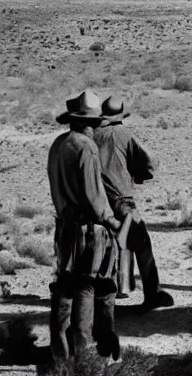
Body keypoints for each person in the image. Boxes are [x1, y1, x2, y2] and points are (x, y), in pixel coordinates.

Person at [47, 90, 122, 360]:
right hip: (87, 231)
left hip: (64, 229)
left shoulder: (58, 144)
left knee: (63, 288)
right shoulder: (86, 147)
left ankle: (59, 355)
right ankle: (84, 357)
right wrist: (112, 221)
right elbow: (93, 197)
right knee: (87, 287)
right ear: (91, 123)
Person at [95, 96, 173, 310]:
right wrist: (137, 176)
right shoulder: (124, 134)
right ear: (120, 117)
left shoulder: (91, 136)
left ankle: (110, 292)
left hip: (97, 200)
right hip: (122, 201)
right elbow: (147, 165)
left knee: (105, 245)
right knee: (142, 244)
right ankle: (152, 293)